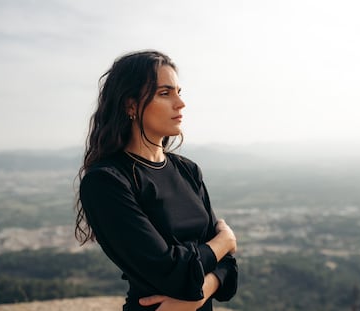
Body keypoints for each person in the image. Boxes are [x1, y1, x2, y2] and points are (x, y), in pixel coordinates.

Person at [75, 50, 238, 311]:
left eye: (178, 91)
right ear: (130, 105)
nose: (180, 103)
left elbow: (228, 267)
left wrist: (197, 295)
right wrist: (223, 242)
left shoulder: (188, 170)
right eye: (165, 93)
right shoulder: (106, 182)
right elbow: (170, 270)